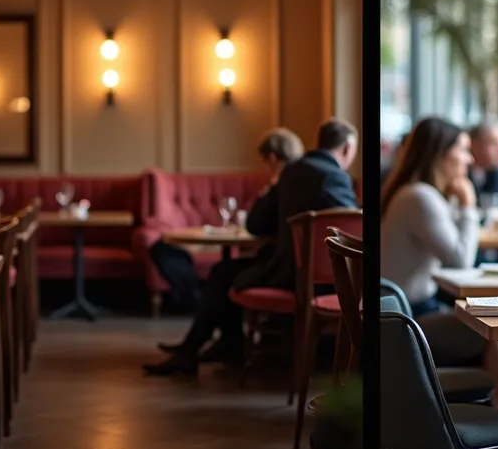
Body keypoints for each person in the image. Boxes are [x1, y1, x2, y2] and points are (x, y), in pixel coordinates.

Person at [144, 118, 360, 376]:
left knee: (224, 273)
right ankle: (221, 346)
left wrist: (271, 191)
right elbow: (350, 229)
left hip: (290, 271)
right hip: (313, 278)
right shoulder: (335, 177)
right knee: (223, 273)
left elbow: (256, 224)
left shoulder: (291, 172)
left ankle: (204, 349)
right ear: (347, 148)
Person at [379, 117, 498, 411]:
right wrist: (468, 201)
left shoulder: (420, 194)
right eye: (464, 150)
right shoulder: (419, 197)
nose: (469, 158)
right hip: (403, 323)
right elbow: (460, 260)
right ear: (442, 154)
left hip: (408, 312)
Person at [146, 128, 305, 310]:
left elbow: (254, 225)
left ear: (272, 158)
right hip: (285, 260)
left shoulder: (280, 187)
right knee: (164, 249)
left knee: (219, 271)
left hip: (275, 263)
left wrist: (267, 192)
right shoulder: (301, 182)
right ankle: (201, 301)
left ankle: (200, 302)